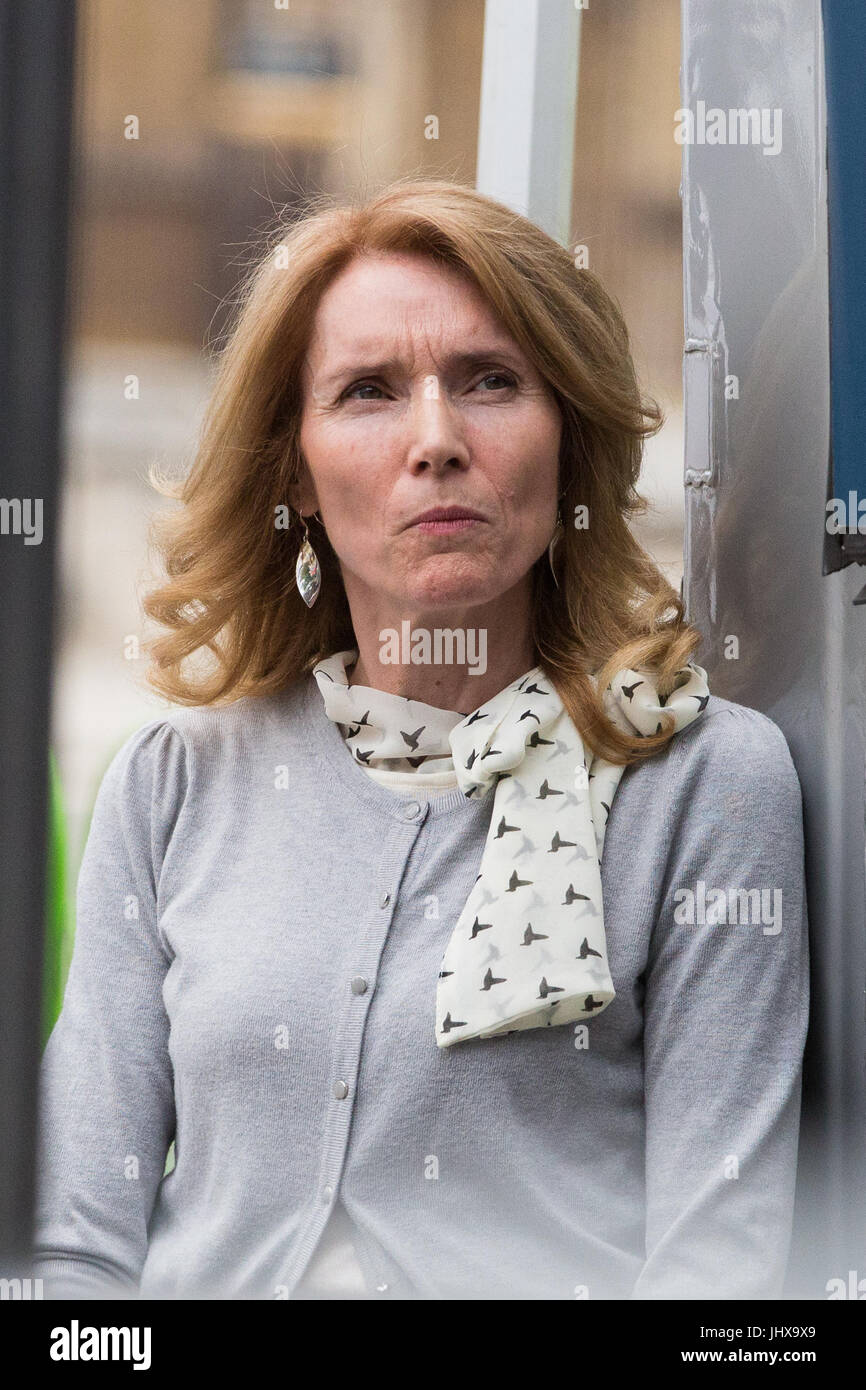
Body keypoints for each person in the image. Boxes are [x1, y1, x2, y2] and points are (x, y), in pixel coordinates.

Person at [32, 179, 809, 1301]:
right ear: (292, 468)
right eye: (367, 392)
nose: (435, 439)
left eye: (490, 381)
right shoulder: (173, 784)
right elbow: (69, 1245)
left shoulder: (702, 779)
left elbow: (718, 1278)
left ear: (566, 435)